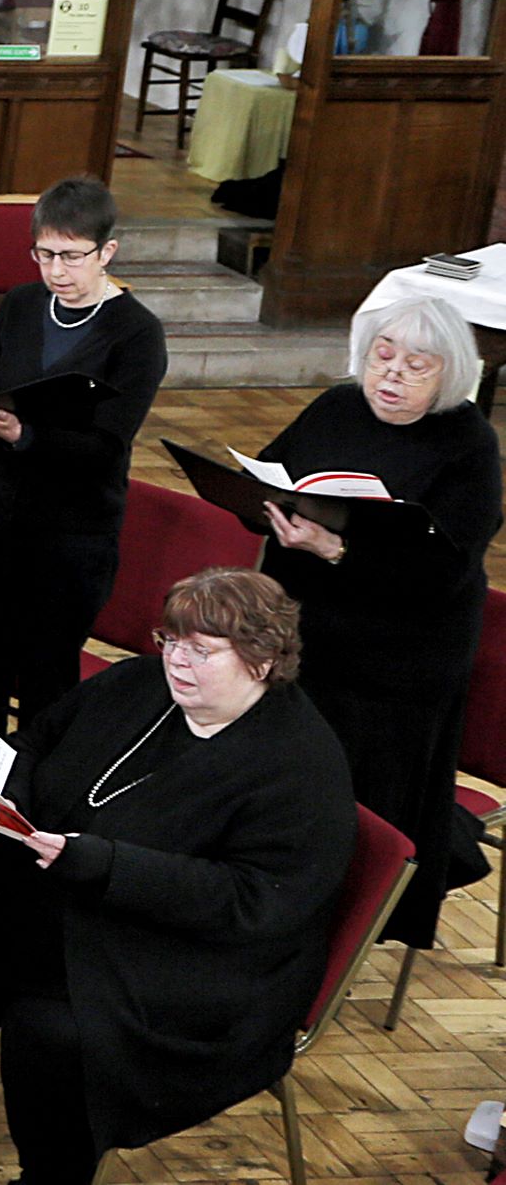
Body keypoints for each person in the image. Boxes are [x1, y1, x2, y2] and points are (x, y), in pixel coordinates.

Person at [0, 570, 354, 1185]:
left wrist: (106, 863)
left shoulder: (301, 766)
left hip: (196, 959)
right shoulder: (139, 685)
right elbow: (36, 742)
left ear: (262, 660)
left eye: (200, 650)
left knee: (56, 1030)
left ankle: (53, 1178)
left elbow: (251, 901)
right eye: (170, 640)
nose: (176, 660)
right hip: (75, 896)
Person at [0, 176, 168, 878]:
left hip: (71, 534)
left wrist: (24, 433)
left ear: (106, 251)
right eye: (43, 254)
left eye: (70, 256)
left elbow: (107, 445)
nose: (54, 271)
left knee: (47, 683)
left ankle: (36, 829)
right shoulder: (24, 306)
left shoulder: (136, 334)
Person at [253, 294, 501, 952]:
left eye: (413, 365)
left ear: (448, 373)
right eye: (380, 357)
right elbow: (268, 470)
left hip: (398, 661)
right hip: (309, 632)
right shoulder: (337, 406)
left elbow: (443, 573)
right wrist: (270, 508)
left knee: (350, 795)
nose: (389, 376)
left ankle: (338, 925)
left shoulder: (468, 444)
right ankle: (266, 893)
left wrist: (339, 550)